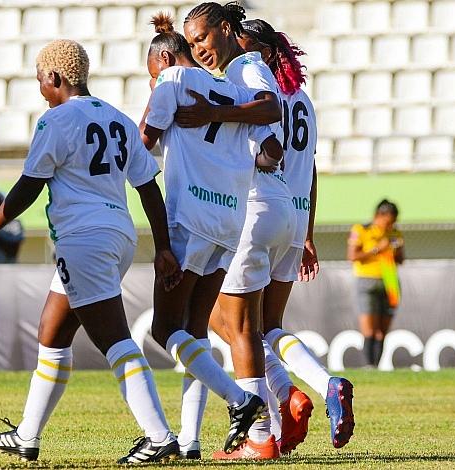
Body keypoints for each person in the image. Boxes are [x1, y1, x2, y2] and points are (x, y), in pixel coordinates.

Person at [0, 39, 181, 465]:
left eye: (40, 81)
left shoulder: (57, 120)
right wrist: (161, 246)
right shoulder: (119, 119)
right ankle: (28, 436)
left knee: (115, 341)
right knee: (52, 332)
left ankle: (160, 437)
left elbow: (30, 184)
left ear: (55, 77)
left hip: (83, 239)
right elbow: (148, 189)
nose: (40, 90)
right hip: (117, 235)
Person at [180, 2, 354, 457]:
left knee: (233, 326)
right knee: (260, 326)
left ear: (243, 39)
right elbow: (308, 166)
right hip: (292, 217)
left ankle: (263, 432)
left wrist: (214, 127)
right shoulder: (305, 101)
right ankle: (300, 392)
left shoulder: (248, 72)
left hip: (257, 209)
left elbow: (270, 140)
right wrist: (309, 230)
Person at [142, 13, 283, 458]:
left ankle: (243, 400)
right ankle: (189, 441)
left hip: (188, 221)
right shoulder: (230, 87)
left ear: (164, 59)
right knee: (195, 332)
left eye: (152, 75)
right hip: (228, 222)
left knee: (163, 331)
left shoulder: (175, 80)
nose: (153, 83)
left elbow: (140, 143)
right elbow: (270, 123)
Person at [348, 199, 404, 367]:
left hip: (389, 282)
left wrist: (397, 250)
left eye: (393, 222)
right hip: (367, 281)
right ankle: (368, 365)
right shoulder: (361, 230)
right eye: (388, 221)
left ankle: (376, 367)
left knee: (382, 332)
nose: (389, 226)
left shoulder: (395, 233)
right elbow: (353, 256)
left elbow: (401, 260)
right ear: (378, 216)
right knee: (369, 329)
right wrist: (377, 249)